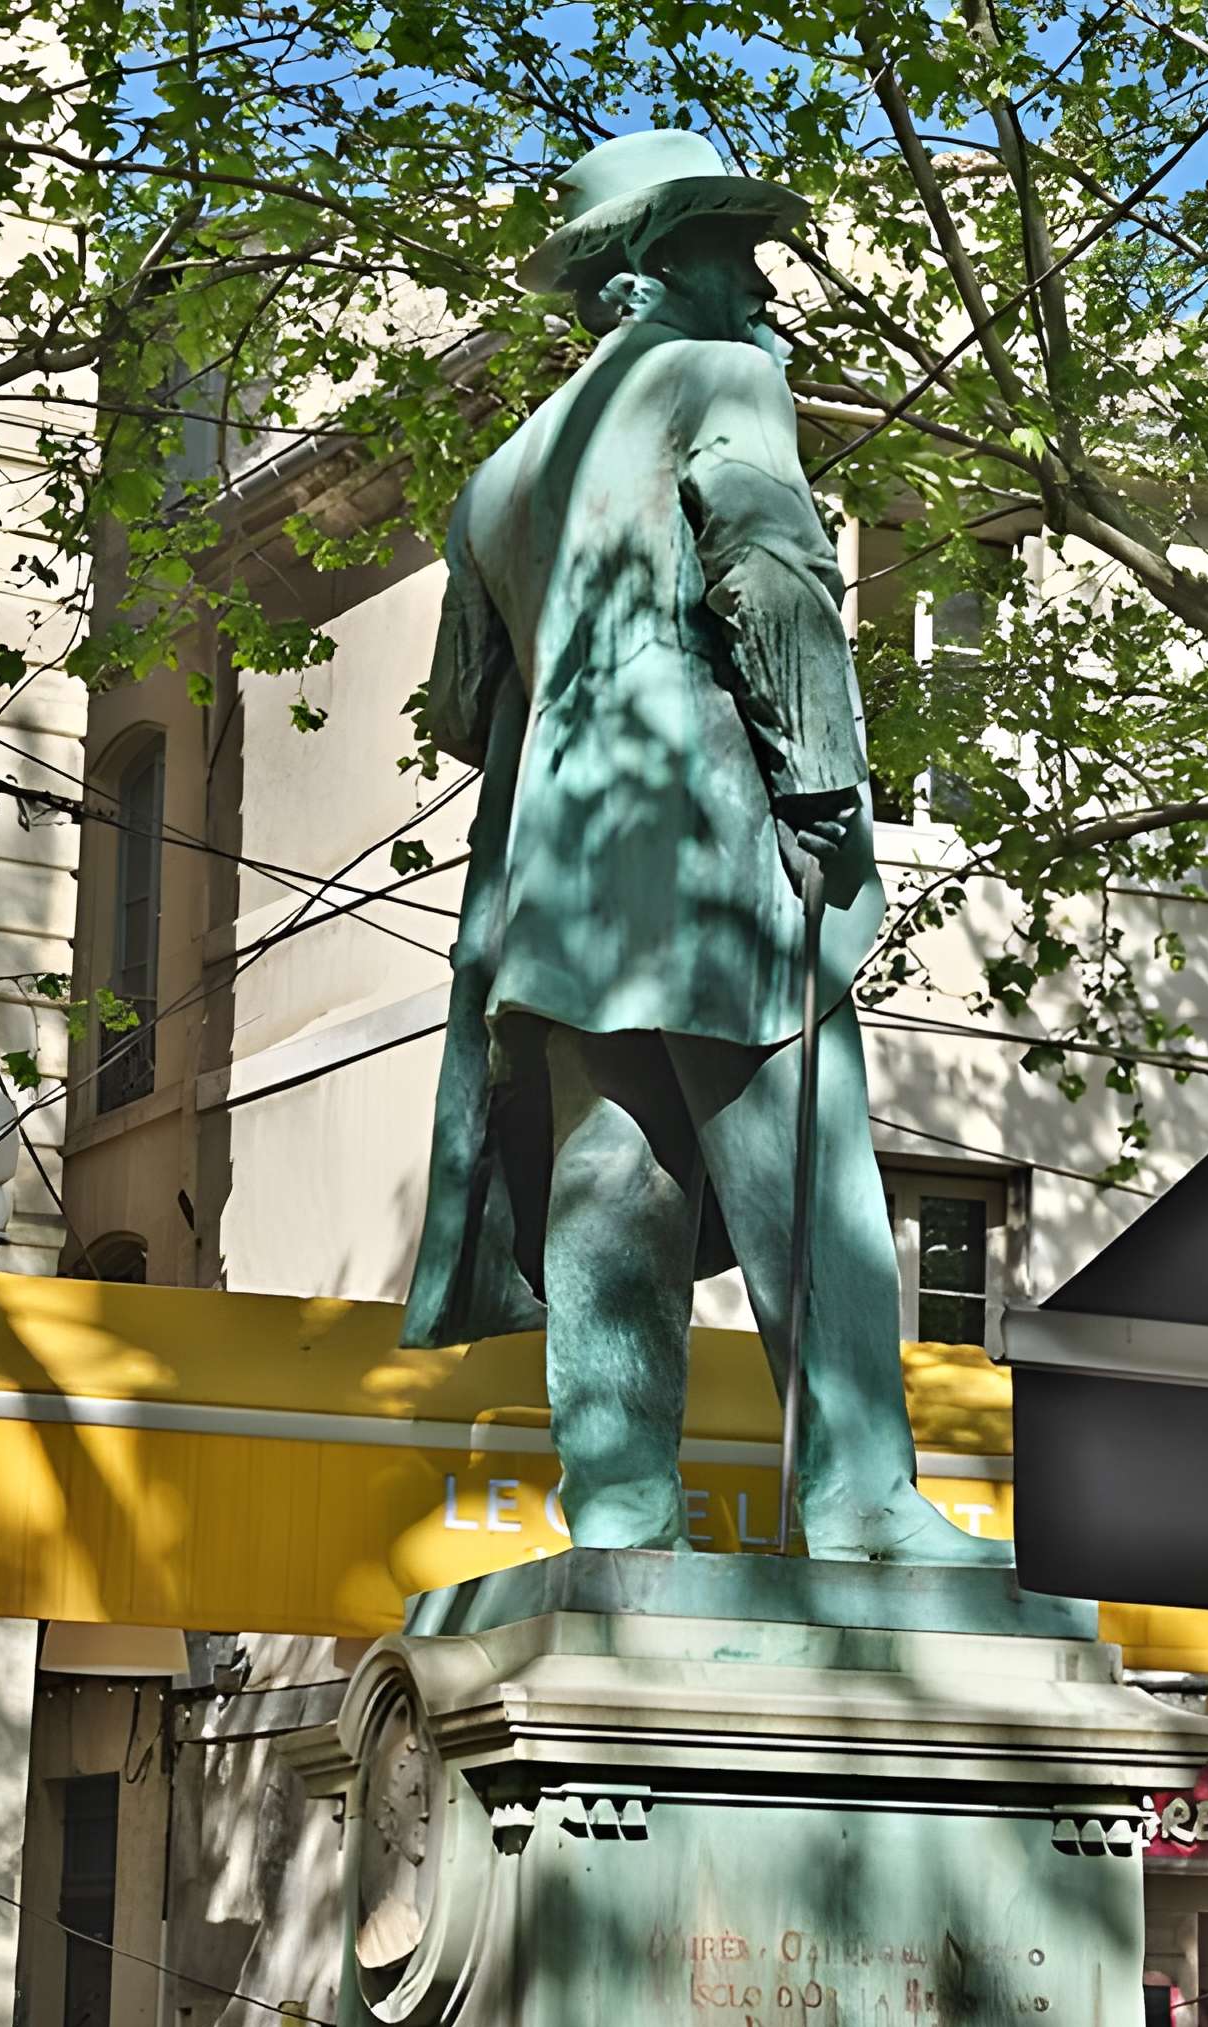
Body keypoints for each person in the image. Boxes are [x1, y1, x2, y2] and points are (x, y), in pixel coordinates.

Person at [402, 128, 1012, 1569]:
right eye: (736, 249)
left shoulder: (492, 478)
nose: (765, 282)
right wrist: (822, 791)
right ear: (650, 267)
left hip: (558, 878)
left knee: (616, 1189)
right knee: (812, 1176)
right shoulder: (722, 376)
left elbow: (463, 713)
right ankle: (863, 1499)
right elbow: (772, 571)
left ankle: (617, 1509)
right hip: (711, 839)